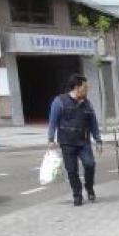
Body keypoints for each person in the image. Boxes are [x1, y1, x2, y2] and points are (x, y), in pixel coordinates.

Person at [47, 73, 103, 206]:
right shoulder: (59, 102)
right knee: (72, 170)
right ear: (77, 87)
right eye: (85, 88)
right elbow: (52, 121)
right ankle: (77, 194)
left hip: (83, 142)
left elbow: (93, 123)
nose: (87, 90)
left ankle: (89, 187)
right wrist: (50, 138)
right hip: (67, 143)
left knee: (90, 164)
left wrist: (98, 140)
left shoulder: (87, 103)